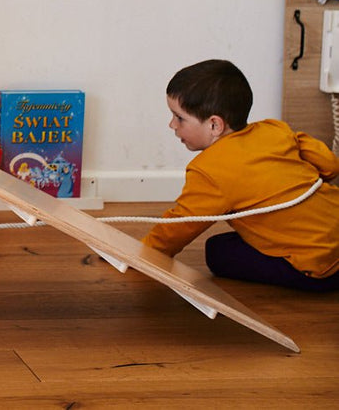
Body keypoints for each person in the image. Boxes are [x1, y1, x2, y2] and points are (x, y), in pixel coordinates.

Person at [142, 58, 339, 291]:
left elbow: (181, 224)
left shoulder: (209, 171)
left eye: (179, 118)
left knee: (217, 250)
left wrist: (145, 253)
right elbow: (330, 165)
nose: (172, 125)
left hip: (318, 269)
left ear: (214, 125)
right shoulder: (274, 129)